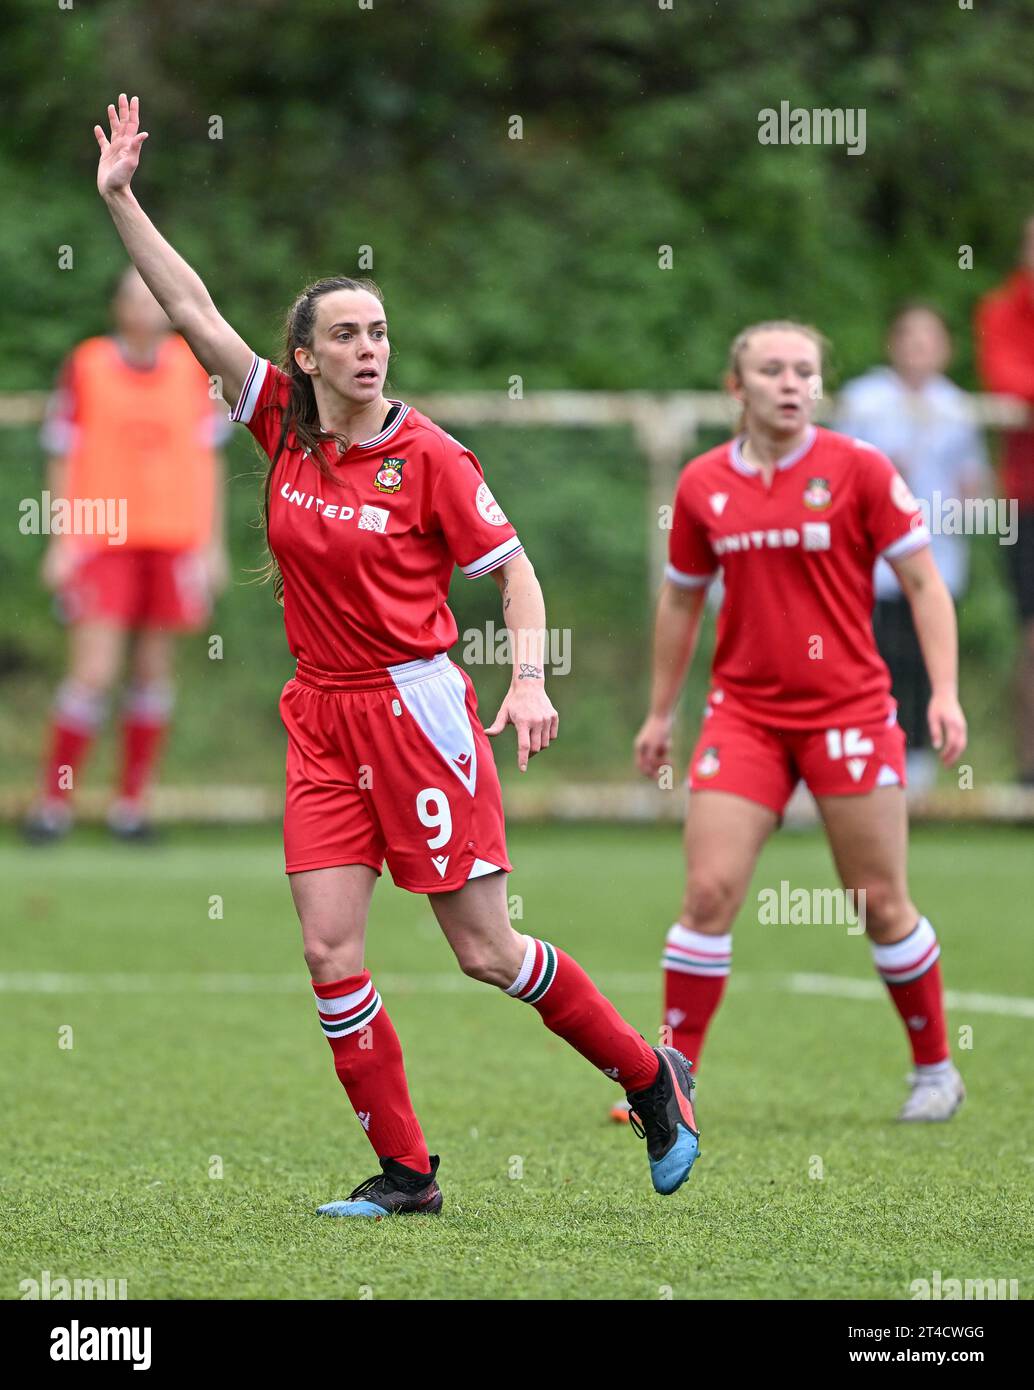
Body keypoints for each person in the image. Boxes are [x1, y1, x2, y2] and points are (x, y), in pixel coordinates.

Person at [93, 93, 698, 1218]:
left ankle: (648, 1074)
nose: (367, 351)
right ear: (305, 355)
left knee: (485, 951)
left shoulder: (430, 458)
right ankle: (407, 1173)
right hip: (319, 717)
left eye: (377, 333)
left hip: (417, 713)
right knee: (329, 955)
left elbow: (512, 573)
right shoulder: (278, 420)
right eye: (345, 335)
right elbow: (189, 306)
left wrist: (526, 676)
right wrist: (121, 198)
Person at [615, 319, 968, 1128]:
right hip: (745, 717)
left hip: (848, 712)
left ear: (819, 386)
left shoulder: (860, 469)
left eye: (804, 370)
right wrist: (661, 711)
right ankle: (672, 1082)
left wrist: (943, 693)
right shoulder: (705, 483)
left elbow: (923, 583)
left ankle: (936, 1070)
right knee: (707, 892)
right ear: (736, 387)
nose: (789, 382)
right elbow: (681, 599)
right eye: (770, 369)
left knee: (879, 902)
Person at [25, 267, 229, 841]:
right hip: (101, 536)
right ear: (116, 306)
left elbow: (209, 459)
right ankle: (52, 806)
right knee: (92, 671)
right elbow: (63, 453)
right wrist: (63, 539)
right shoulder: (88, 364)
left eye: (152, 298)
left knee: (152, 673)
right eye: (133, 297)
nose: (144, 308)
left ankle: (131, 809)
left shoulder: (191, 370)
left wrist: (209, 544)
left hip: (172, 538)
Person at [836, 304, 990, 791]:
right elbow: (832, 474)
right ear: (893, 344)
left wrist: (973, 497)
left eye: (930, 339)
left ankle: (917, 767)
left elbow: (976, 487)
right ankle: (855, 760)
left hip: (935, 559)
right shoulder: (865, 399)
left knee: (924, 662)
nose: (919, 349)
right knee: (870, 659)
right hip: (873, 564)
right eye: (910, 337)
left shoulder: (957, 407)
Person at [975, 218, 1034, 785]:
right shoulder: (1001, 311)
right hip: (1028, 499)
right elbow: (1006, 381)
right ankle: (1029, 769)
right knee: (1031, 631)